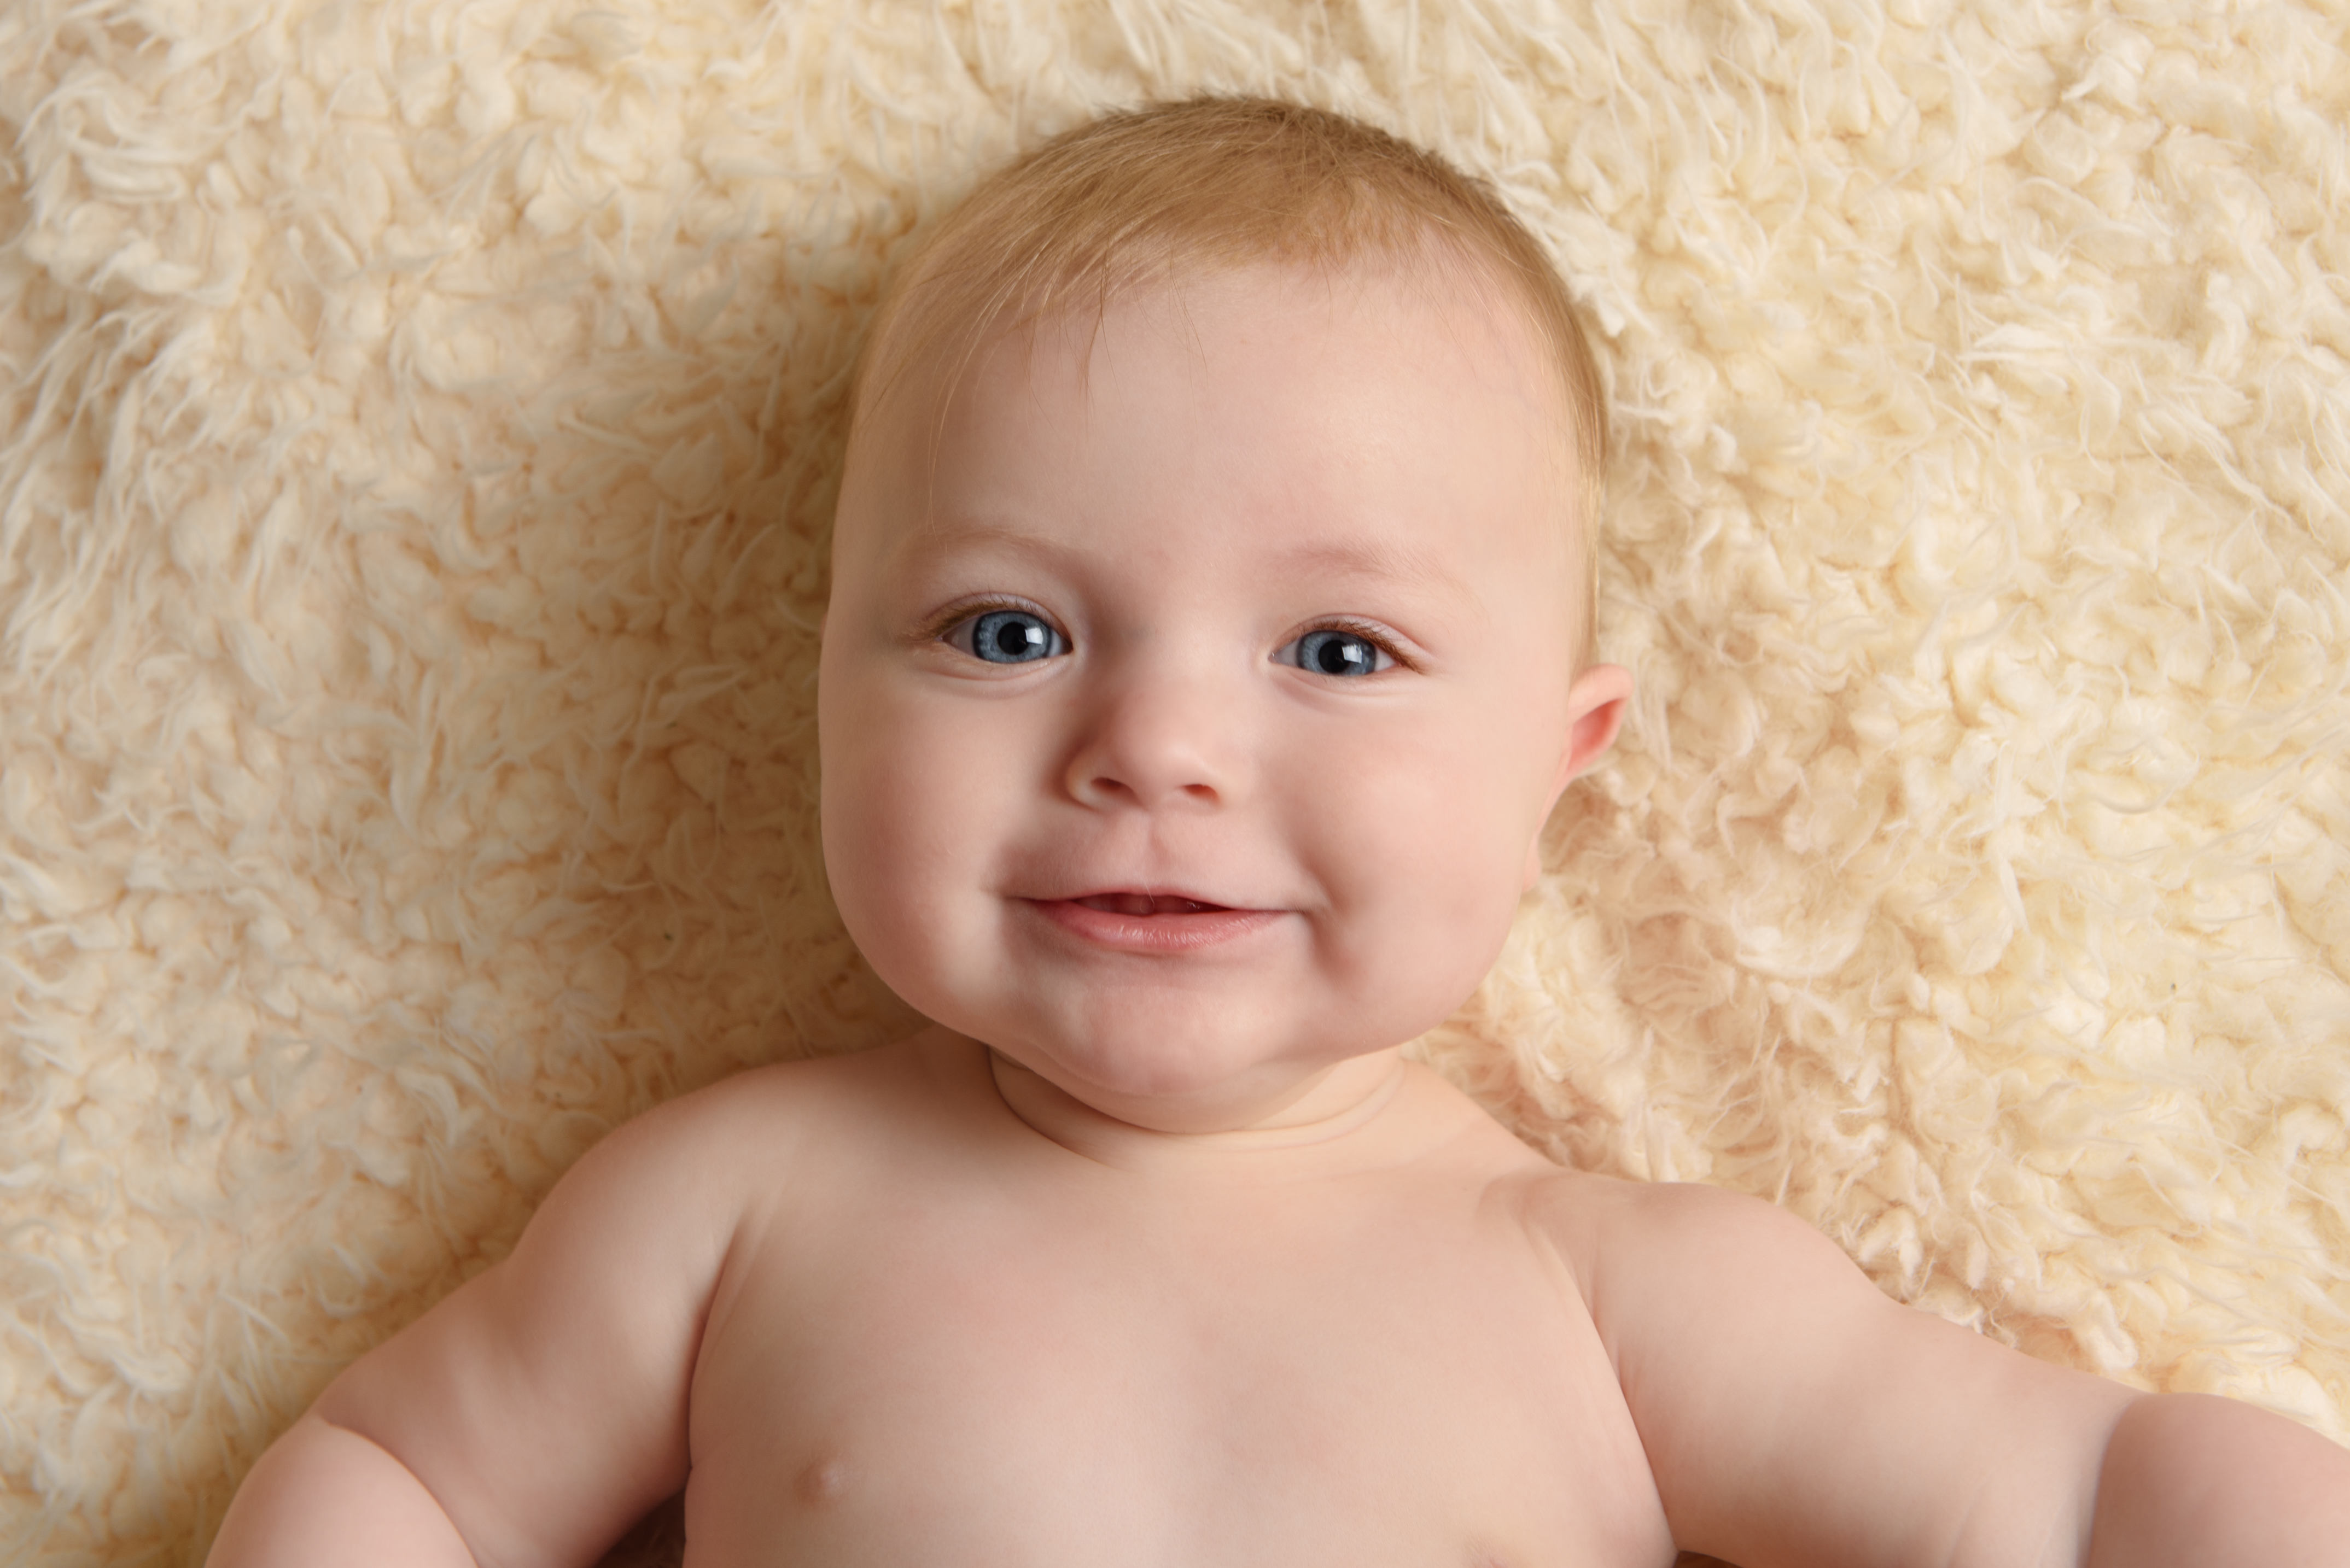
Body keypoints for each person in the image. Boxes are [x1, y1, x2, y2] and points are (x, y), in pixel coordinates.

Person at [206, 96, 2350, 1568]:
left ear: (1559, 757)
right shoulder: (733, 1205)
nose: (1155, 750)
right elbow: (407, 1479)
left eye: (1335, 653)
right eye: (1008, 627)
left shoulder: (1610, 1291)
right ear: (821, 684)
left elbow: (2080, 1504)